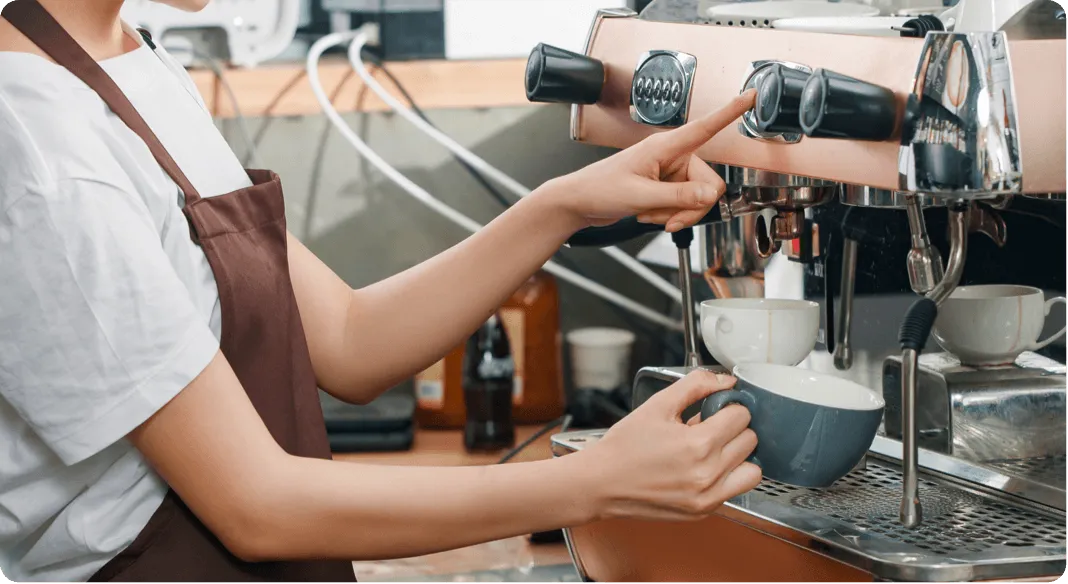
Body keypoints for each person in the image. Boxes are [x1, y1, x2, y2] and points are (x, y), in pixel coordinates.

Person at [0, 0, 760, 581]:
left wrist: (560, 207)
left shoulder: (128, 58)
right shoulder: (37, 141)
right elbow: (256, 506)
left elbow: (350, 340)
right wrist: (594, 481)